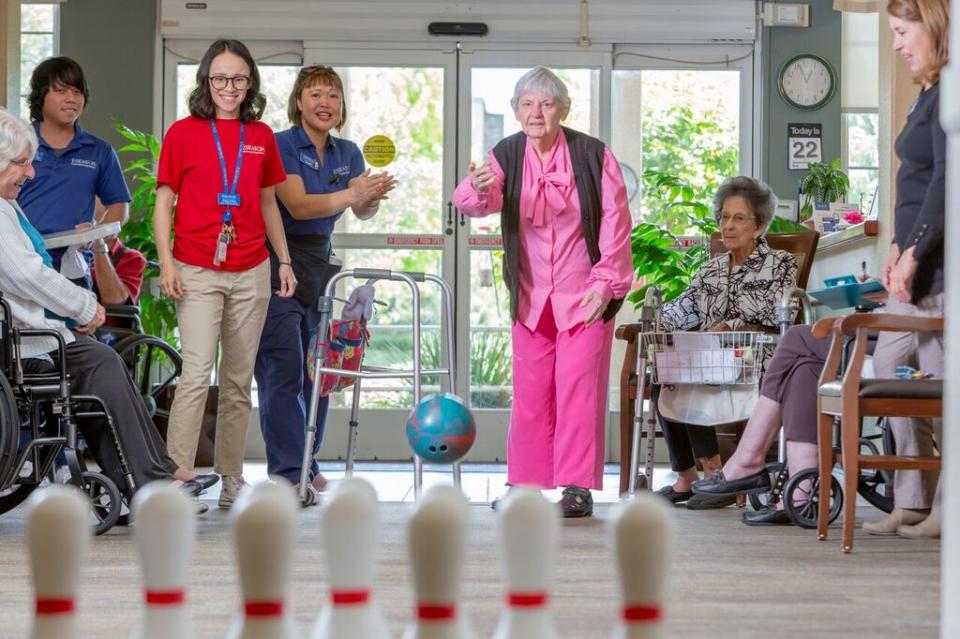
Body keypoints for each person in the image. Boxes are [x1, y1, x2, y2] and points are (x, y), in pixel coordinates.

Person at [0, 108, 216, 506]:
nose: (29, 175)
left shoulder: (7, 206)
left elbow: (30, 264)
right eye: (22, 165)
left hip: (29, 335)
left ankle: (155, 472)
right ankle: (149, 480)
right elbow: (27, 275)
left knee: (102, 362)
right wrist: (85, 307)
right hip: (21, 345)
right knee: (100, 363)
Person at [453, 66, 633, 518]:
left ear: (564, 110)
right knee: (530, 391)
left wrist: (606, 283)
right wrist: (474, 189)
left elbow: (615, 222)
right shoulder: (507, 153)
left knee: (578, 389)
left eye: (547, 104)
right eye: (528, 104)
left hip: (585, 295)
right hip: (532, 296)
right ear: (516, 111)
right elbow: (476, 202)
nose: (537, 113)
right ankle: (525, 483)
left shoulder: (592, 155)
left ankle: (577, 487)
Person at [155, 39, 297, 509]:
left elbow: (267, 202)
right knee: (196, 373)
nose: (229, 88)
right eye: (219, 79)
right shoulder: (182, 133)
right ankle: (178, 477)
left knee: (238, 380)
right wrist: (167, 262)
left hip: (251, 269)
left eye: (238, 79)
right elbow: (163, 204)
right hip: (196, 267)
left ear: (250, 81)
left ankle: (231, 477)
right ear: (205, 81)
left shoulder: (261, 135)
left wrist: (284, 260)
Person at [254, 65, 395, 492]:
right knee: (283, 370)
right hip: (275, 260)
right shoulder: (279, 145)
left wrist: (369, 198)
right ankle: (287, 472)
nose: (324, 103)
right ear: (298, 101)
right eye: (315, 94)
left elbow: (360, 209)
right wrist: (353, 194)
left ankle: (309, 466)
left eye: (333, 96)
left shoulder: (348, 152)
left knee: (320, 370)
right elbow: (297, 205)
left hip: (320, 266)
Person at [654, 176, 797, 510]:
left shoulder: (781, 263)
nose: (728, 226)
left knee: (697, 368)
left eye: (739, 218)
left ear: (759, 225)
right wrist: (661, 322)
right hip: (709, 357)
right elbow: (685, 305)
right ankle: (690, 475)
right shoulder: (709, 269)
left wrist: (729, 324)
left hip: (753, 356)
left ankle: (716, 473)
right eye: (724, 217)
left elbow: (781, 307)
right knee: (663, 371)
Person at [863, 0, 947, 539]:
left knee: (944, 390)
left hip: (939, 270)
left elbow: (946, 183)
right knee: (891, 365)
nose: (896, 44)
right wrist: (895, 247)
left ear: (932, 25)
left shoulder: (952, 93)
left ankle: (947, 509)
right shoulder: (926, 93)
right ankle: (913, 501)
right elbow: (911, 186)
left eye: (901, 31)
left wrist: (915, 251)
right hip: (910, 269)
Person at [16, 57, 130, 288]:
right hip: (21, 261)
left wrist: (97, 231)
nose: (71, 99)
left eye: (77, 92)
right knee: (20, 325)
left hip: (73, 267)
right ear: (41, 96)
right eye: (60, 91)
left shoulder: (99, 151)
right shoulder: (18, 144)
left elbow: (120, 207)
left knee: (76, 324)